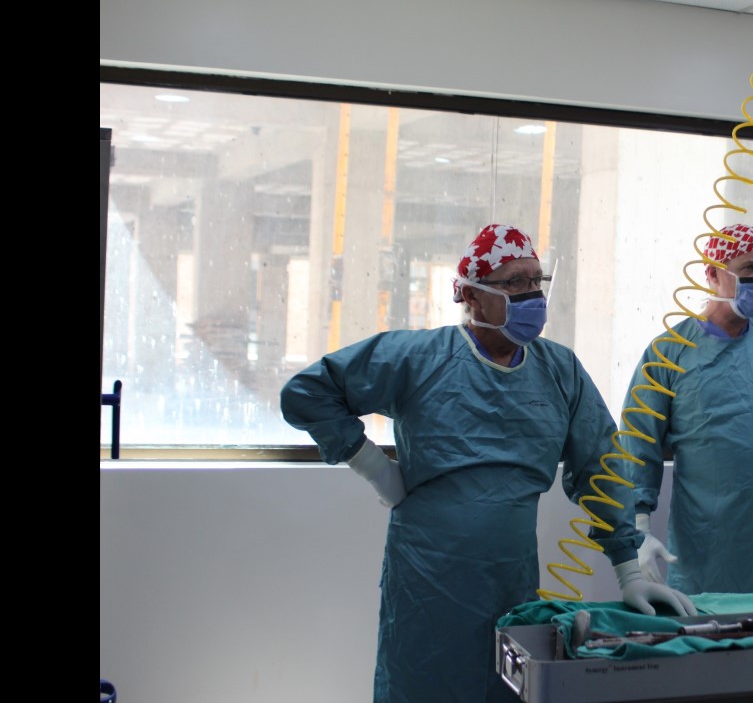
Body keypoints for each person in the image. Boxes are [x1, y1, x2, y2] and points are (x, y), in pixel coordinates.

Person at [280, 224, 696, 703]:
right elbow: (307, 392)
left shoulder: (559, 371)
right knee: (425, 687)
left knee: (505, 684)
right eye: (515, 282)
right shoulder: (420, 358)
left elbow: (602, 467)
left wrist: (628, 571)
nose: (532, 295)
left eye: (537, 280)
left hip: (510, 578)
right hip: (428, 580)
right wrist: (376, 468)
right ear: (472, 295)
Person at [617, 223, 753, 596]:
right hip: (705, 544)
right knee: (708, 627)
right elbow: (637, 444)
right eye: (748, 269)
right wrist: (638, 528)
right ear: (711, 274)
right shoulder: (668, 354)